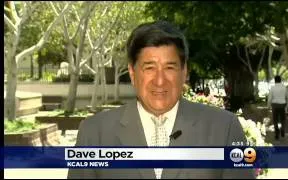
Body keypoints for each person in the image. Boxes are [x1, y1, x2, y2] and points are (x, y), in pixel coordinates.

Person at [68, 21, 255, 179]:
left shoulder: (224, 129)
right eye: (149, 68)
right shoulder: (94, 134)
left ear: (184, 72)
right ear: (132, 73)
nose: (159, 81)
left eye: (169, 68)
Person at [268, 75, 288, 140]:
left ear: (275, 80)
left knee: (275, 119)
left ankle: (276, 133)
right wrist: (287, 105)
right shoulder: (284, 87)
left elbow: (270, 98)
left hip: (275, 105)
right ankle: (282, 129)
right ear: (280, 80)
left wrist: (268, 106)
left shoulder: (272, 88)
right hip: (282, 105)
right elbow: (287, 97)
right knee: (283, 119)